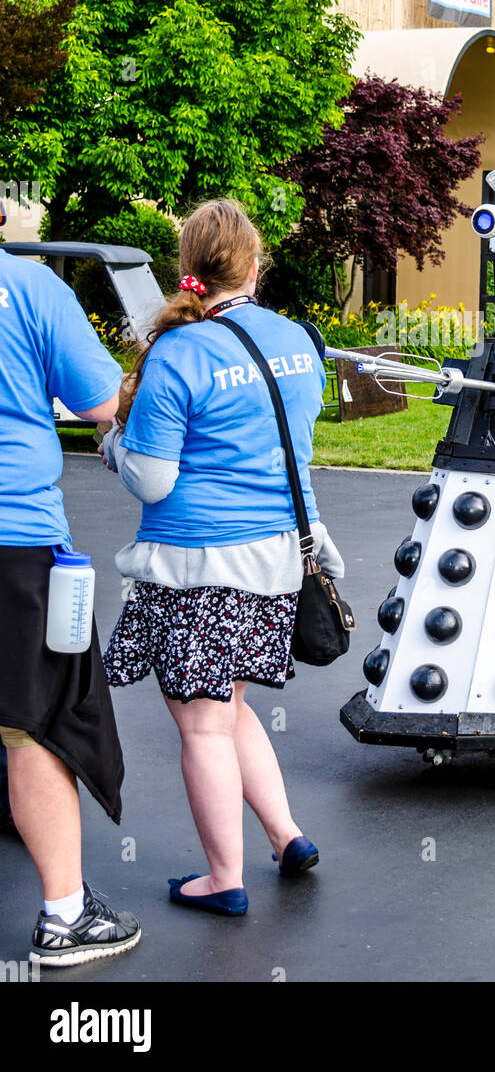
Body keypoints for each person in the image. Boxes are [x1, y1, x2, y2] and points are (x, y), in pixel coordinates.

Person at [101, 198, 343, 916]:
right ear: (256, 266)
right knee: (230, 711)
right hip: (274, 559)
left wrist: (111, 445)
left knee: (203, 724)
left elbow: (153, 478)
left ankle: (222, 877)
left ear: (186, 269)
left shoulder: (177, 352)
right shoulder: (299, 342)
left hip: (196, 566)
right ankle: (286, 835)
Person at [0, 221, 141, 967]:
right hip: (14, 537)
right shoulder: (30, 288)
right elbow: (98, 405)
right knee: (37, 728)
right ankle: (64, 916)